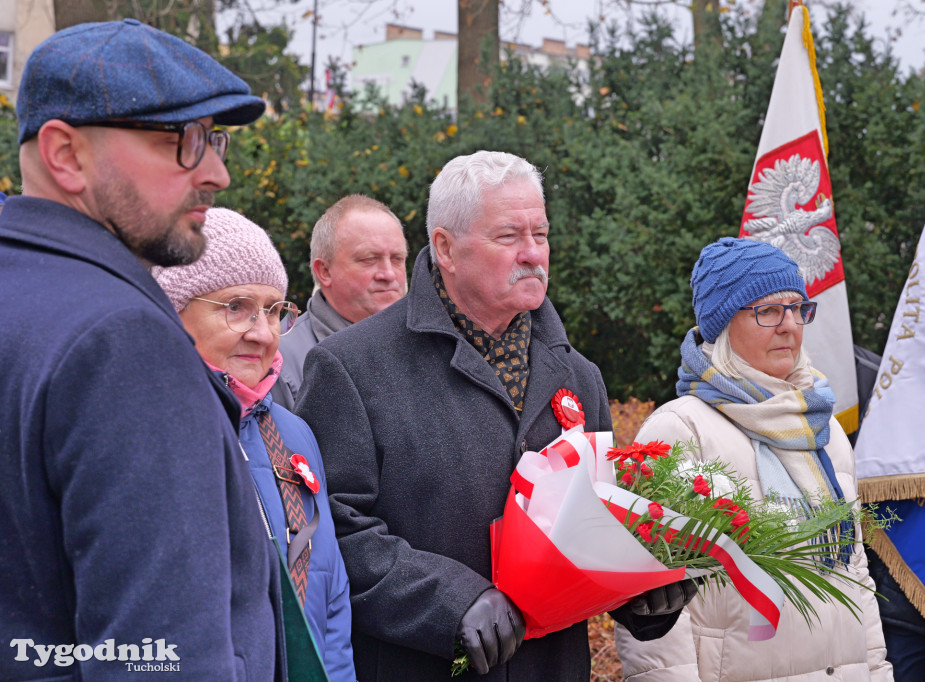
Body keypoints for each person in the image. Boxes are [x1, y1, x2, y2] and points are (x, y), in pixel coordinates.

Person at [296, 150, 687, 681]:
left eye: (541, 234)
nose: (533, 253)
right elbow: (332, 530)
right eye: (509, 236)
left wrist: (642, 590)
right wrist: (450, 602)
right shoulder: (350, 367)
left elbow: (598, 519)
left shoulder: (579, 375)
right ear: (445, 249)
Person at [0, 19, 284, 680]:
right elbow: (161, 660)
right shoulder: (122, 341)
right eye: (181, 141)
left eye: (214, 139)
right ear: (66, 154)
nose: (217, 173)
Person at [614, 237, 893, 682]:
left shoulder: (823, 429)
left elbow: (853, 571)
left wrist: (876, 673)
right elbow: (652, 607)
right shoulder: (680, 431)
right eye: (768, 311)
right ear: (723, 324)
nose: (790, 325)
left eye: (798, 308)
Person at [153, 208, 358, 681]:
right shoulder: (148, 429)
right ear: (173, 311)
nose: (263, 333)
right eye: (235, 307)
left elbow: (332, 604)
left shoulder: (293, 433)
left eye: (273, 310)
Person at [273, 194, 408, 409]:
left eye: (397, 259)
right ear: (324, 271)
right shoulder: (278, 361)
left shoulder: (430, 345)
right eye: (369, 259)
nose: (389, 274)